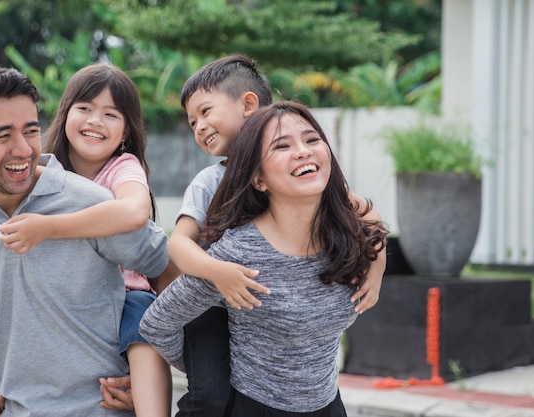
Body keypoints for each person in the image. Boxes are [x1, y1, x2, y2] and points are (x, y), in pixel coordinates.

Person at [0, 64, 174, 416]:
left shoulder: (95, 202)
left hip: (98, 406)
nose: (23, 149)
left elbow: (166, 266)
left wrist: (150, 377)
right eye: (3, 135)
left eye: (30, 131)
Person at [164, 54, 386, 416]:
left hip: (260, 305)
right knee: (209, 394)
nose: (198, 127)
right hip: (214, 297)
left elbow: (368, 217)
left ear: (249, 104)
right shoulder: (209, 181)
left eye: (205, 112)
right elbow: (178, 243)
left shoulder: (305, 175)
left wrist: (376, 270)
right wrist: (217, 272)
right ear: (258, 181)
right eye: (192, 122)